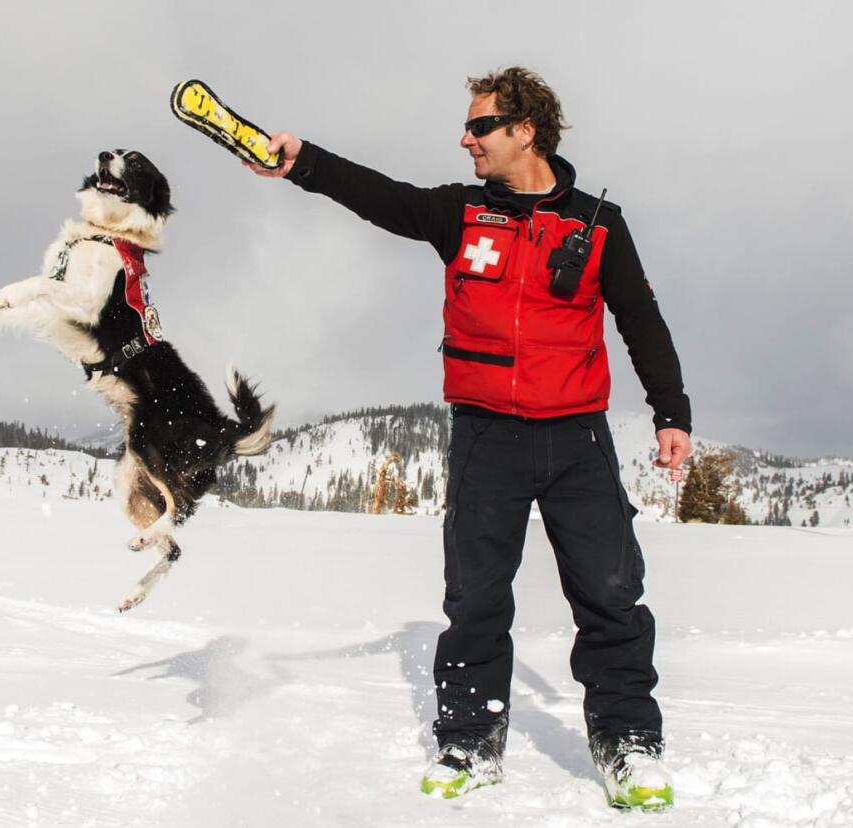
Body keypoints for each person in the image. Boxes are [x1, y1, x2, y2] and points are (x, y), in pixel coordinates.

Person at [245, 66, 692, 811]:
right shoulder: (460, 215)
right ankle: (470, 739)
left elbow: (640, 321)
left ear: (526, 131)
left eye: (480, 125)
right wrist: (305, 163)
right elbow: (384, 199)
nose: (467, 138)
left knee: (611, 598)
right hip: (488, 439)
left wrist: (670, 412)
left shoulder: (597, 225)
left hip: (577, 440)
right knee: (476, 600)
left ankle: (629, 743)